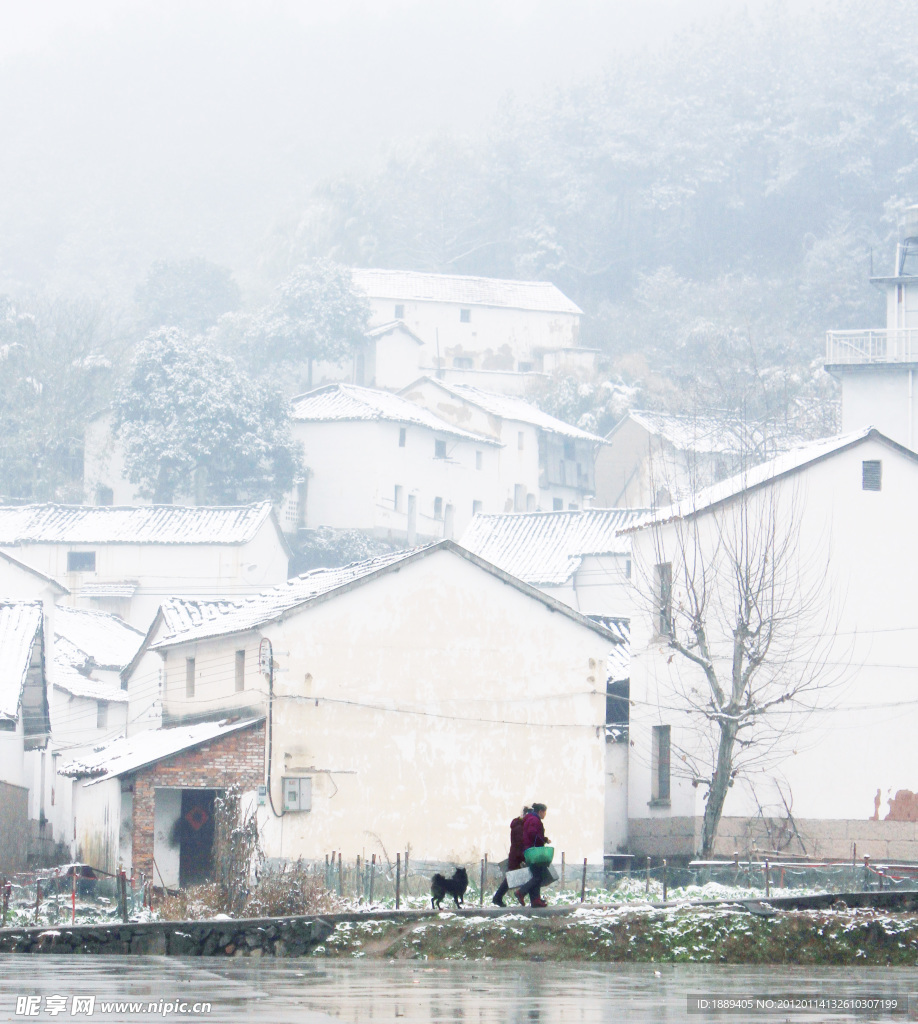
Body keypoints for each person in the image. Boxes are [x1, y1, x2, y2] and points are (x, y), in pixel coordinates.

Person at [491, 806, 531, 907]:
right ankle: (498, 897)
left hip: (516, 855)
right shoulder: (520, 826)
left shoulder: (518, 824)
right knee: (512, 878)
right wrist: (524, 856)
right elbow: (520, 843)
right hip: (517, 855)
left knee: (511, 878)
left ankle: (498, 897)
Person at [516, 802, 550, 908]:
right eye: (545, 812)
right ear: (540, 811)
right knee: (538, 876)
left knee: (536, 875)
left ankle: (535, 900)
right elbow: (533, 834)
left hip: (529, 850)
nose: (545, 815)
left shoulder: (530, 819)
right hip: (534, 852)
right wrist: (543, 840)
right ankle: (521, 892)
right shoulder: (534, 820)